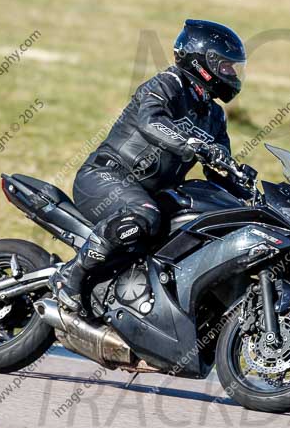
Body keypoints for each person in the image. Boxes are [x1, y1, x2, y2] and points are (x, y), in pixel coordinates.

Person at [49, 19, 248, 313]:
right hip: (107, 177)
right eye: (226, 66)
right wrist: (191, 143)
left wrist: (240, 181)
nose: (232, 74)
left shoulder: (214, 115)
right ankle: (70, 276)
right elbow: (150, 121)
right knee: (144, 215)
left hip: (149, 193)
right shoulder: (168, 84)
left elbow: (218, 163)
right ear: (203, 61)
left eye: (234, 67)